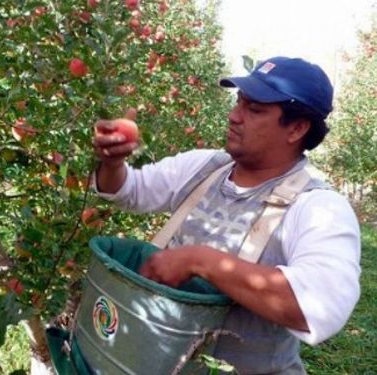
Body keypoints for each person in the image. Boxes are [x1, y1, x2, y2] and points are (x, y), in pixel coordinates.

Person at [91, 56, 361, 374]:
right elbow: (128, 190)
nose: (234, 116)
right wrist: (112, 163)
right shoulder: (205, 168)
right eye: (238, 102)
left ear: (297, 128)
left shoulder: (317, 206)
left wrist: (200, 260)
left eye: (255, 109)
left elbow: (320, 306)